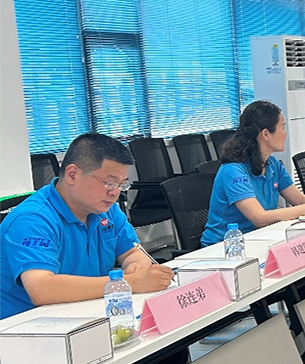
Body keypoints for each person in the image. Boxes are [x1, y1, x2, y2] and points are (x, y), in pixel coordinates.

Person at [0, 133, 174, 320]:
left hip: (89, 311)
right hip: (31, 325)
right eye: (109, 183)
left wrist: (136, 268)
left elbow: (132, 252)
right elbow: (41, 288)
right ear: (72, 174)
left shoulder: (105, 210)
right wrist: (129, 282)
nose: (115, 193)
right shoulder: (32, 219)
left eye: (121, 185)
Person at [202, 101, 305, 247]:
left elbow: (300, 200)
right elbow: (260, 218)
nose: (285, 134)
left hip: (260, 238)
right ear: (266, 134)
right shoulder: (233, 170)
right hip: (226, 246)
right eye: (282, 127)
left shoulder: (273, 164)